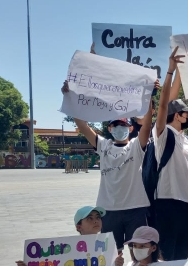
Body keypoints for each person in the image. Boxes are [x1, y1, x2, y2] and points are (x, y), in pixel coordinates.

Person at [62, 79, 158, 252]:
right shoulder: (103, 145)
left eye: (123, 125)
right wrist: (70, 98)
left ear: (130, 128)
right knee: (111, 253)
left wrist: (149, 96)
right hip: (109, 210)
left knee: (139, 251)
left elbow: (147, 126)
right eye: (115, 125)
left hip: (135, 208)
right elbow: (83, 126)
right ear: (109, 128)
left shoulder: (136, 146)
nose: (119, 128)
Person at [152, 47, 188, 261]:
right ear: (178, 116)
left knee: (182, 256)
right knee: (166, 256)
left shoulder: (186, 140)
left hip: (184, 203)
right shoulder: (162, 134)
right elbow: (164, 105)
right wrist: (171, 72)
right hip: (166, 202)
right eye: (186, 113)